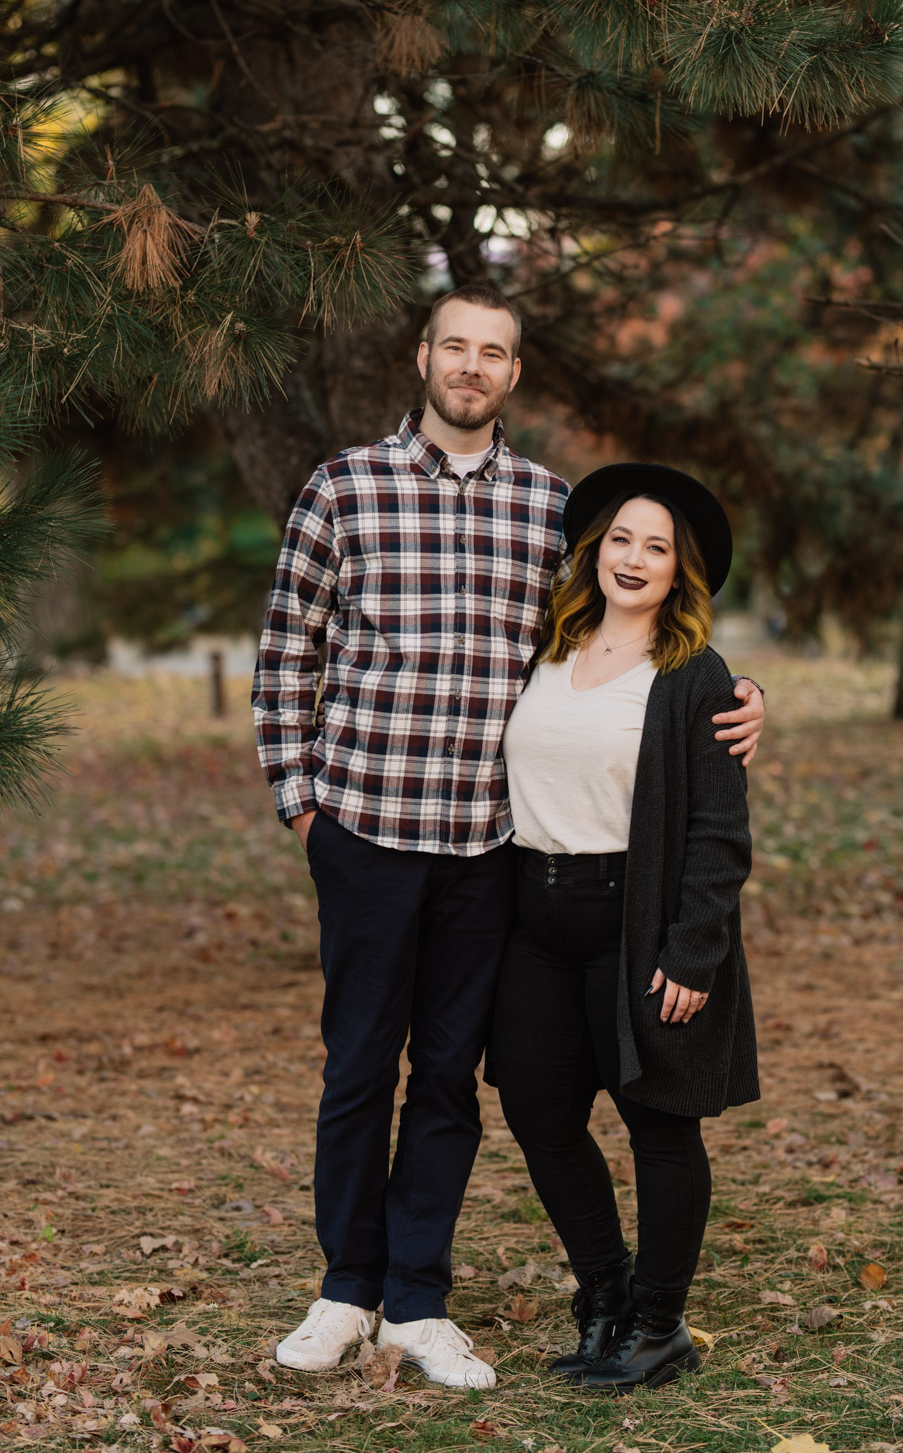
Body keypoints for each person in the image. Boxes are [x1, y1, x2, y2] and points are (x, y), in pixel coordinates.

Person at [251, 285, 766, 1389]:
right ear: (421, 356)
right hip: (369, 829)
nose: (471, 366)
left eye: (493, 353)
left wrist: (739, 697)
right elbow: (286, 652)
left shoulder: (549, 510)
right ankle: (347, 1287)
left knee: (447, 1075)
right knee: (357, 1068)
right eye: (454, 347)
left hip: (490, 852)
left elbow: (634, 641)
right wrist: (303, 801)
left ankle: (420, 1303)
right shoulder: (343, 486)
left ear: (512, 374)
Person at [491, 462, 758, 1393]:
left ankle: (657, 1325)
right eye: (621, 540)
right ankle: (603, 1297)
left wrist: (693, 951)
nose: (634, 559)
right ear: (593, 551)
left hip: (634, 921)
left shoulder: (694, 675)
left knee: (658, 1125)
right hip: (534, 914)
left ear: (680, 570)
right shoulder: (548, 646)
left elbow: (720, 833)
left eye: (658, 547)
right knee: (536, 1111)